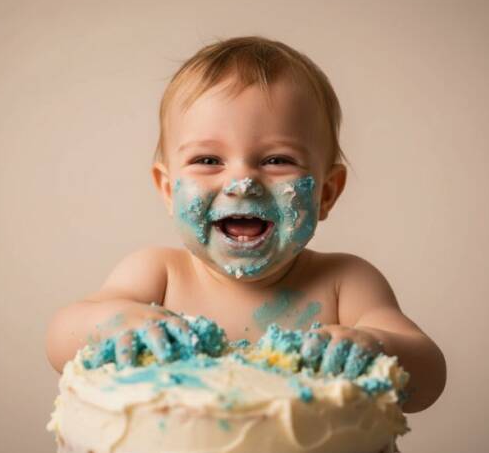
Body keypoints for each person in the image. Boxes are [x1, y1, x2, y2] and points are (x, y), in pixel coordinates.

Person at [45, 36, 446, 413]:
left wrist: (371, 345)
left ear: (326, 193)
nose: (243, 182)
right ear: (168, 190)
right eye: (208, 160)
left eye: (277, 160)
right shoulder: (159, 275)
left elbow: (428, 377)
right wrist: (114, 324)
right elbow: (61, 340)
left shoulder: (344, 283)